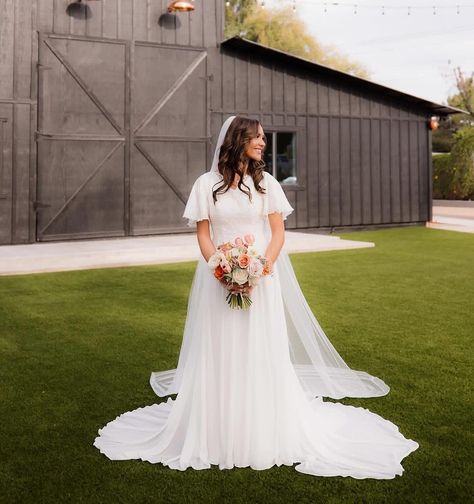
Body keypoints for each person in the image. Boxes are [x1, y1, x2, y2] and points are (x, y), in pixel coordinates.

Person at [93, 115, 419, 478]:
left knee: (259, 346)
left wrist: (258, 270)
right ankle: (217, 424)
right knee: (220, 346)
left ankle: (262, 423)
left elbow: (277, 235)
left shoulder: (266, 185)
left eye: (264, 138)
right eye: (257, 137)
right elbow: (203, 234)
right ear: (237, 140)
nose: (263, 143)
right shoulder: (206, 185)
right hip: (217, 281)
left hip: (262, 279)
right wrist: (221, 268)